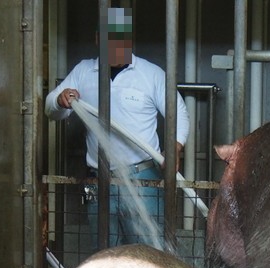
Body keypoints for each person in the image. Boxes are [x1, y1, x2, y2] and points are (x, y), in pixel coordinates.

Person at [45, 7, 190, 250]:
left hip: (143, 176)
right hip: (99, 179)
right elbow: (51, 109)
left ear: (129, 40)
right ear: (97, 39)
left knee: (149, 254)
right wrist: (59, 99)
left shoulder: (150, 74)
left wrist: (175, 146)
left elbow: (180, 113)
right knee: (106, 255)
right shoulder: (84, 71)